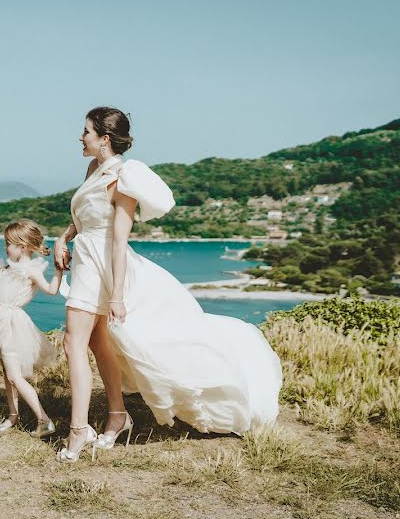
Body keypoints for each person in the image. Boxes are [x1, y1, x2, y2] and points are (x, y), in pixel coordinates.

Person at [54, 107, 282, 463]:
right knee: (99, 344)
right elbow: (81, 216)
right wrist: (62, 238)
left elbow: (118, 241)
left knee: (73, 343)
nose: (78, 137)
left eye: (84, 131)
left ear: (104, 139)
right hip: (85, 259)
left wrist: (116, 295)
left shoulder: (122, 179)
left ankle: (79, 430)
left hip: (104, 267)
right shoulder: (92, 169)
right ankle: (117, 416)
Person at [0, 220, 62, 438]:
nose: (5, 247)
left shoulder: (31, 271)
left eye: (9, 243)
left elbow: (51, 290)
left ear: (22, 246)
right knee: (6, 372)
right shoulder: (9, 266)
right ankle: (13, 415)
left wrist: (59, 270)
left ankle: (44, 420)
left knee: (14, 375)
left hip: (13, 324)